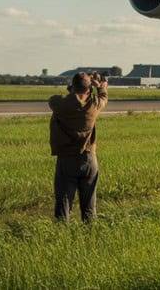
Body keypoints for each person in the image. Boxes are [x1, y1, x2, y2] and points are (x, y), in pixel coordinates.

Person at [48, 71, 108, 222]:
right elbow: (103, 97)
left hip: (67, 158)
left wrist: (77, 88)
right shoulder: (94, 103)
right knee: (89, 206)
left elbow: (54, 99)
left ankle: (62, 236)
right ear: (88, 90)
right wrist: (99, 86)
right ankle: (90, 234)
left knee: (64, 203)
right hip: (89, 158)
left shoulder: (60, 104)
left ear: (73, 87)